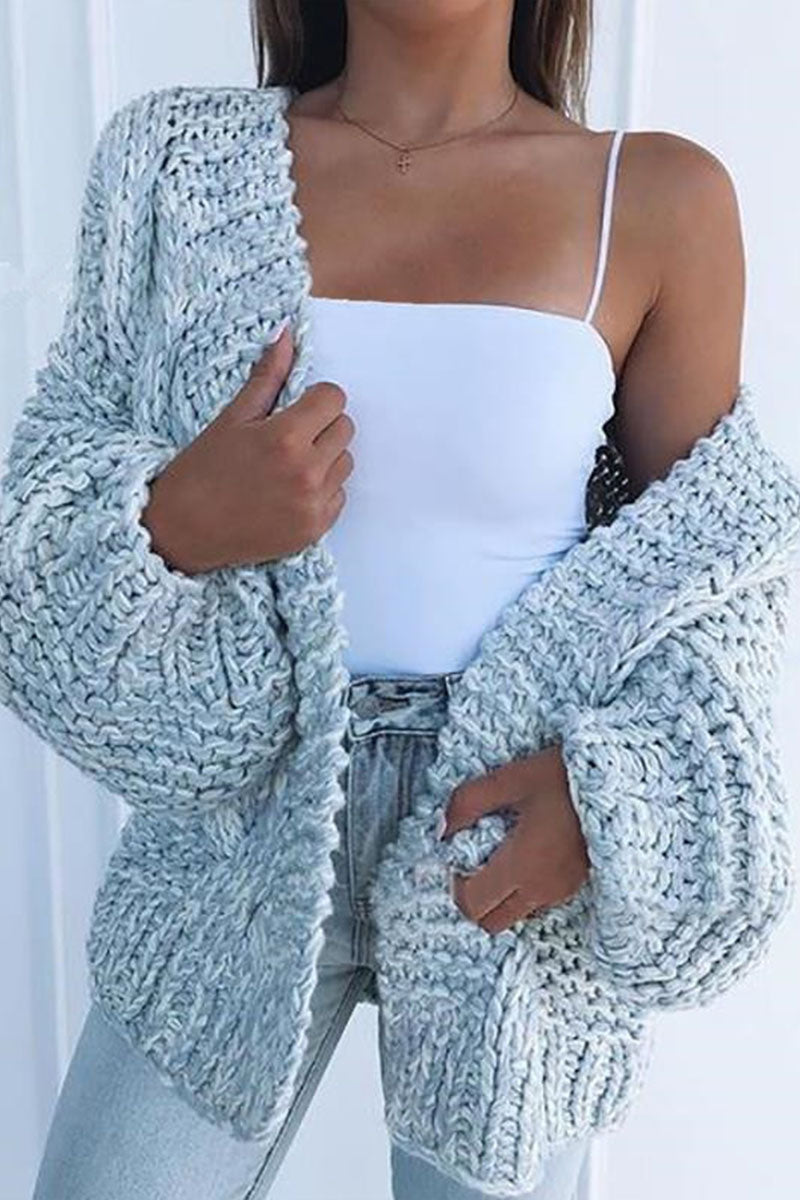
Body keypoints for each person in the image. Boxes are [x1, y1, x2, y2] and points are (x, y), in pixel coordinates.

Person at [11, 2, 787, 1199]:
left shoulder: (655, 199)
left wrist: (602, 799)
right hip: (237, 826)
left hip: (504, 830)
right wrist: (174, 518)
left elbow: (714, 586)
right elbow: (38, 522)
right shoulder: (174, 169)